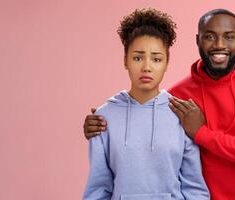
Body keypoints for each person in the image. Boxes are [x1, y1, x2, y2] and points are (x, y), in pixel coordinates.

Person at [84, 8, 235, 200]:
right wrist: (102, 121)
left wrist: (202, 133)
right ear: (198, 40)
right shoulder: (180, 98)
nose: (219, 45)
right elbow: (143, 115)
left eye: (228, 37)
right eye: (209, 36)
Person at [82, 8, 209, 200]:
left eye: (156, 59)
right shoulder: (104, 117)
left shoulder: (181, 114)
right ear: (125, 60)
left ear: (166, 63)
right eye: (137, 57)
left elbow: (195, 189)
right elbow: (98, 189)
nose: (147, 67)